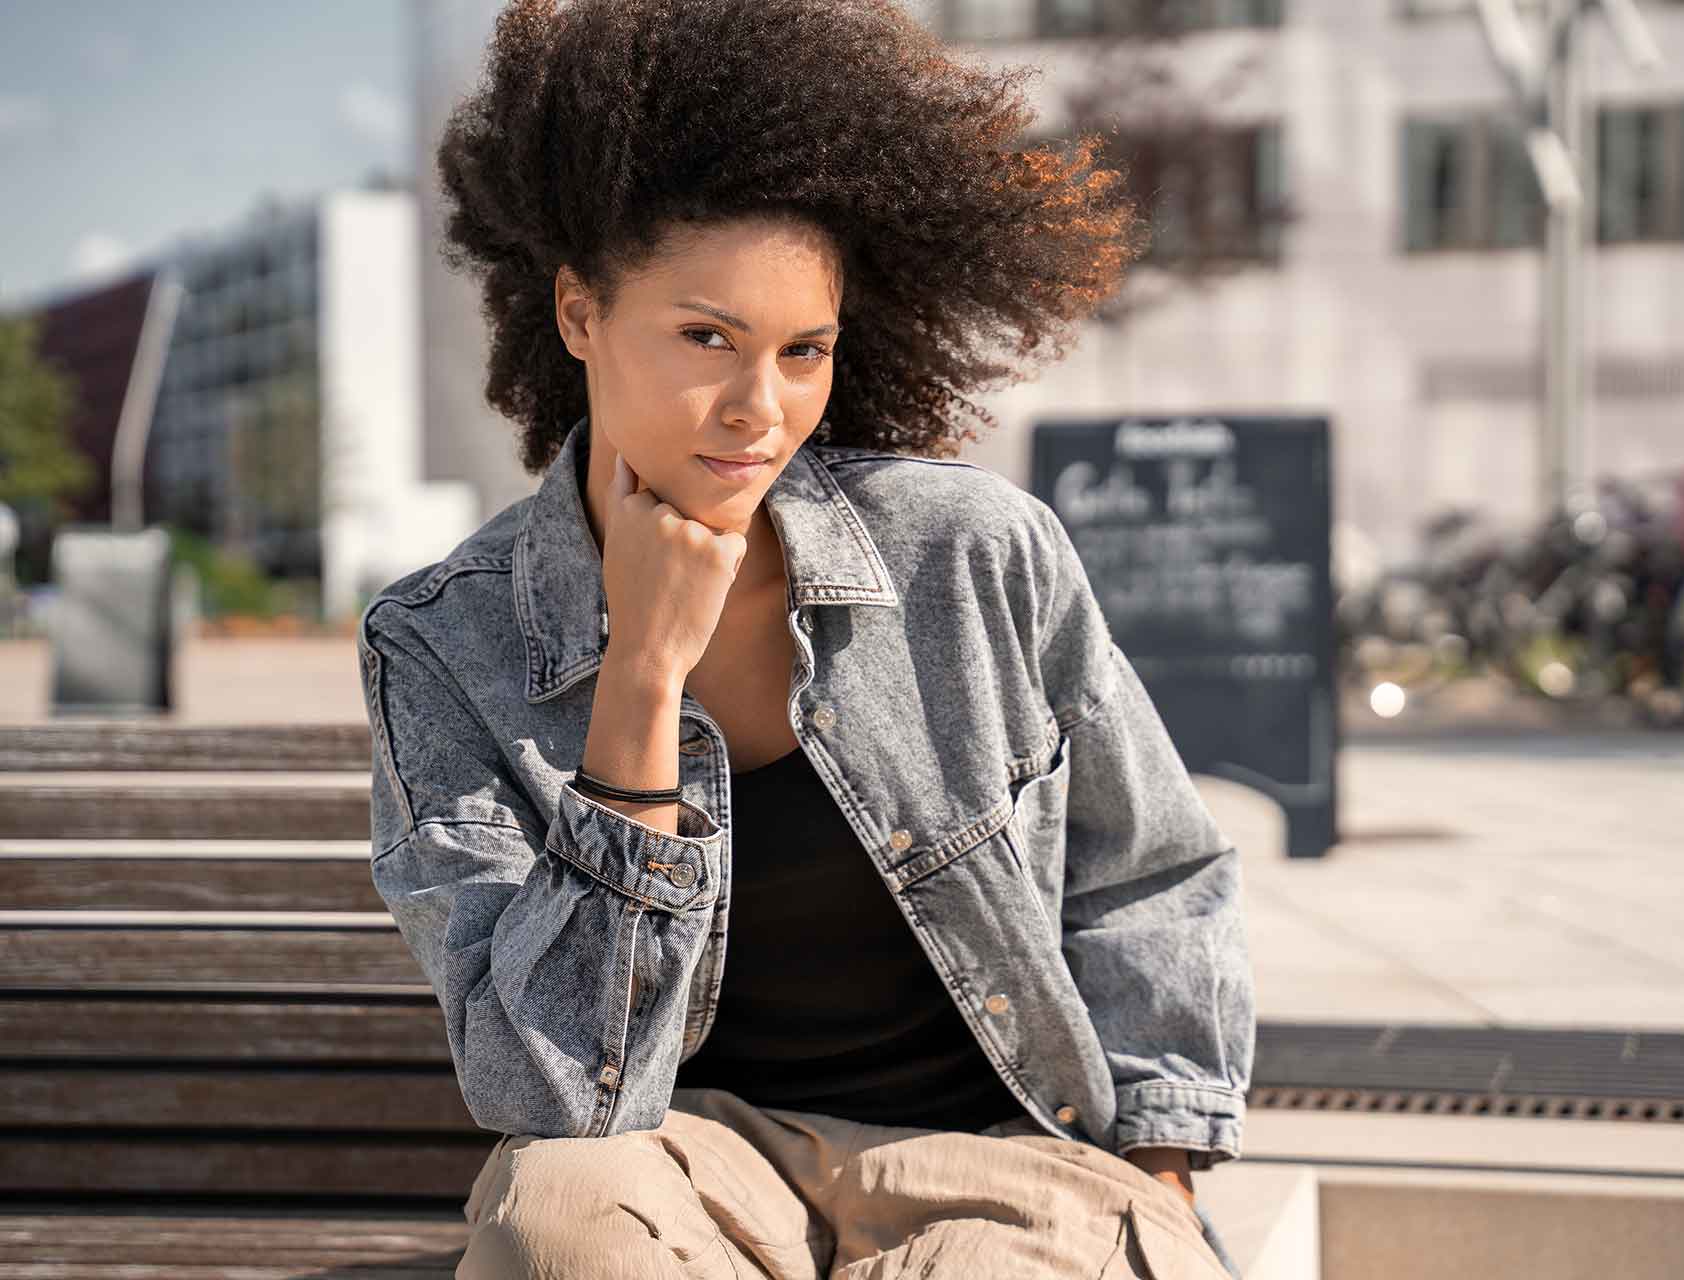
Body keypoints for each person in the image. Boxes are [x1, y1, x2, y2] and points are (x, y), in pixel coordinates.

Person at [354, 1, 1254, 1275]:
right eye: (706, 337)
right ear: (577, 311)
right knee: (556, 1220)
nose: (758, 408)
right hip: (690, 1163)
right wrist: (641, 674)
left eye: (803, 350)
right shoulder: (445, 640)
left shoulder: (970, 551)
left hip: (1000, 1163)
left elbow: (1148, 873)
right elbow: (553, 1087)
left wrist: (1155, 1175)